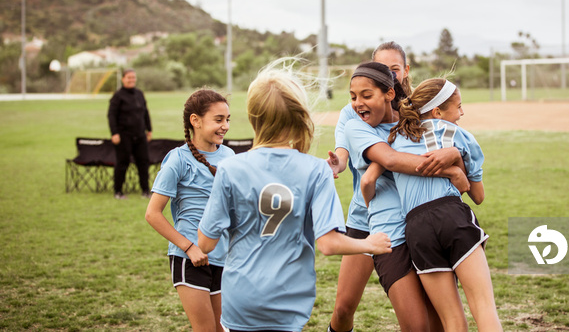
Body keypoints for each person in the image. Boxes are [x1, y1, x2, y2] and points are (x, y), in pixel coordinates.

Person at [197, 62, 392, 332]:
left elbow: (206, 243)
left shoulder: (230, 168)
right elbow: (329, 244)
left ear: (253, 115)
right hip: (290, 299)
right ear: (297, 115)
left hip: (240, 297)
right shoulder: (316, 170)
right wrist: (369, 243)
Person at [327, 42, 461, 332]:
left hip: (413, 216)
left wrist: (455, 156)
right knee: (343, 307)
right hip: (366, 215)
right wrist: (338, 164)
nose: (391, 74)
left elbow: (447, 137)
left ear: (405, 71)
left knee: (427, 313)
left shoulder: (414, 110)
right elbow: (347, 152)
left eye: (395, 69)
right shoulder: (354, 114)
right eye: (383, 69)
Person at [387, 78, 502, 331]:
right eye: (458, 106)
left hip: (416, 229)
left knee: (452, 321)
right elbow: (478, 196)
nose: (462, 112)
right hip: (452, 215)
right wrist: (458, 160)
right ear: (437, 112)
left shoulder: (395, 138)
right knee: (483, 306)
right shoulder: (459, 135)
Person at [145, 89, 235, 332]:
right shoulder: (177, 159)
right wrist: (189, 247)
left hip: (224, 257)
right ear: (195, 120)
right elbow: (152, 214)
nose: (225, 126)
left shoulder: (230, 156)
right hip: (189, 259)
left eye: (227, 119)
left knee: (222, 329)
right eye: (218, 120)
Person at [107, 68, 152, 199]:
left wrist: (149, 129)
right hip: (123, 135)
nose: (131, 80)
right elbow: (111, 115)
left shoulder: (139, 94)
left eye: (133, 77)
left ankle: (145, 191)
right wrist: (114, 133)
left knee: (143, 162)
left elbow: (145, 112)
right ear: (123, 79)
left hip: (140, 134)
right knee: (123, 162)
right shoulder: (118, 96)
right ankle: (118, 191)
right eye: (129, 77)